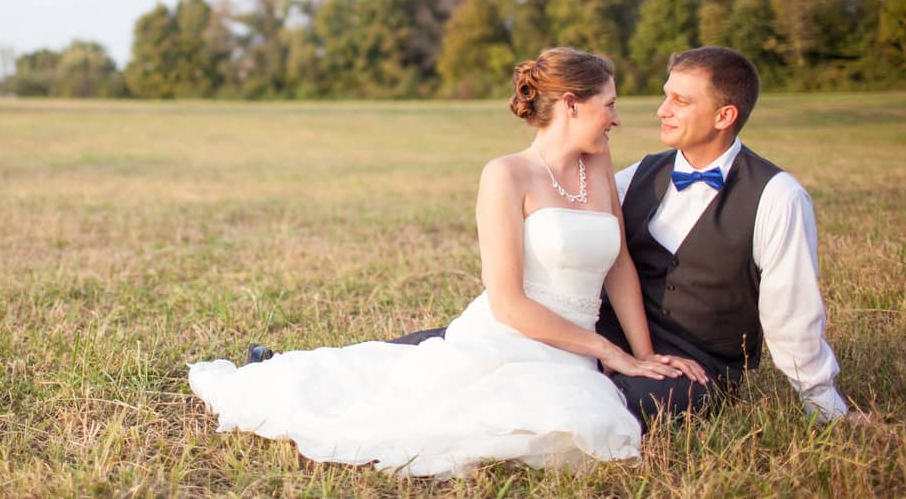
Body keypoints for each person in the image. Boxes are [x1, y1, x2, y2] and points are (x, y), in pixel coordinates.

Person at [188, 48, 705, 476]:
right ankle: (274, 376)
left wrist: (643, 355)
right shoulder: (505, 176)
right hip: (509, 335)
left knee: (576, 422)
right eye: (609, 105)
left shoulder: (597, 163)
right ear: (571, 104)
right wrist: (606, 351)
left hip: (571, 349)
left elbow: (617, 267)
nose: (617, 117)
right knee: (410, 414)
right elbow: (506, 302)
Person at [388, 46, 850, 427]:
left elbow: (791, 312)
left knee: (592, 412)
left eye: (680, 102)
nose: (660, 111)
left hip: (694, 359)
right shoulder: (636, 176)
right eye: (665, 96)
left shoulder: (777, 198)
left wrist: (821, 399)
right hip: (599, 334)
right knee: (429, 356)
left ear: (724, 114)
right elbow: (568, 231)